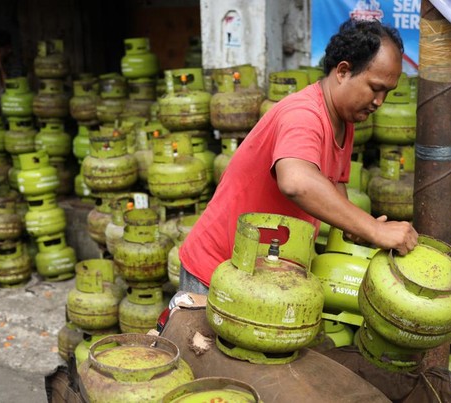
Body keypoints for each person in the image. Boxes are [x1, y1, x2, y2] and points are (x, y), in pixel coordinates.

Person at [177, 19, 419, 294]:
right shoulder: (304, 115)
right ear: (343, 71)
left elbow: (333, 184)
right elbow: (296, 181)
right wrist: (375, 231)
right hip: (216, 271)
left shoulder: (344, 121)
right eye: (375, 88)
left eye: (387, 92)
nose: (379, 101)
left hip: (262, 275)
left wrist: (359, 227)